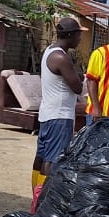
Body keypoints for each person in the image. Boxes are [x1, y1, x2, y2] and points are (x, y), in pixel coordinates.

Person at [34, 17, 84, 179]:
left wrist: (76, 76)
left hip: (47, 113)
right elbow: (77, 87)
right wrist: (79, 77)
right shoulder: (62, 58)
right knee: (53, 160)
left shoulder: (49, 50)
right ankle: (45, 193)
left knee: (41, 157)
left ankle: (37, 192)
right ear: (70, 35)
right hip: (60, 116)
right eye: (78, 34)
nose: (80, 39)